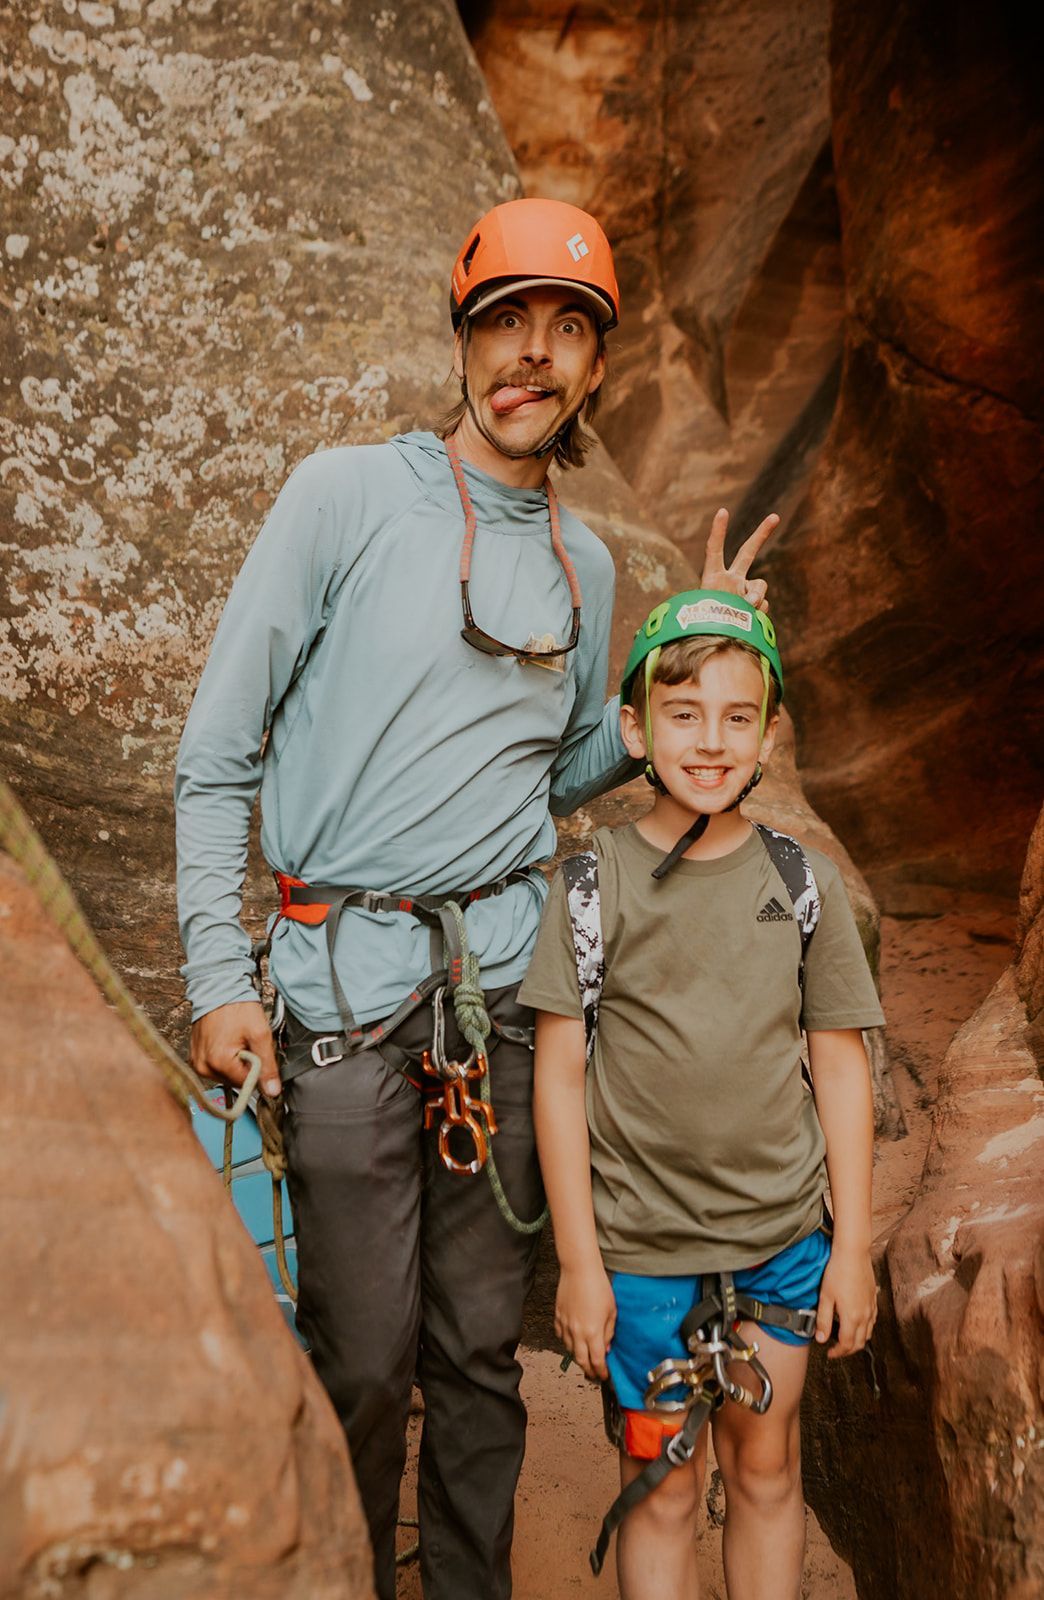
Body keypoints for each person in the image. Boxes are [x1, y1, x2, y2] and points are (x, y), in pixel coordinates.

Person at [174, 199, 778, 1600]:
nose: (533, 354)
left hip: (499, 1001)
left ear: (594, 371)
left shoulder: (586, 564)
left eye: (568, 329)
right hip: (339, 987)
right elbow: (219, 756)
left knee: (477, 1361)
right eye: (505, 320)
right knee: (367, 1354)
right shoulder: (343, 498)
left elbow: (548, 767)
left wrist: (671, 672)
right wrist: (217, 974)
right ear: (461, 336)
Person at [520, 590, 884, 1600]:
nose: (710, 742)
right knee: (661, 1485)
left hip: (781, 1243)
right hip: (637, 1257)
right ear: (634, 728)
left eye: (737, 717)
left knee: (768, 1471)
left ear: (770, 733)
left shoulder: (802, 884)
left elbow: (840, 1064)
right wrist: (578, 1264)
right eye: (683, 715)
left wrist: (850, 1246)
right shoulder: (594, 888)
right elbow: (559, 1075)